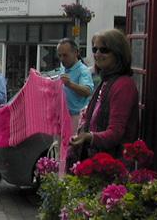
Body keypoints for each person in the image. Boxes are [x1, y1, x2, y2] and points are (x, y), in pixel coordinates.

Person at [69, 29, 139, 164]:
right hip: (98, 161)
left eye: (104, 50)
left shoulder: (123, 86)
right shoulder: (106, 81)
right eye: (95, 49)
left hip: (113, 165)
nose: (97, 54)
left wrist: (88, 137)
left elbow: (116, 133)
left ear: (118, 53)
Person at [56, 38, 94, 134]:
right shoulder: (63, 68)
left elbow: (87, 91)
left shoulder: (83, 70)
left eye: (65, 55)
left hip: (76, 119)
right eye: (59, 55)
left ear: (76, 53)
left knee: (71, 147)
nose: (62, 59)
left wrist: (69, 84)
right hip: (62, 116)